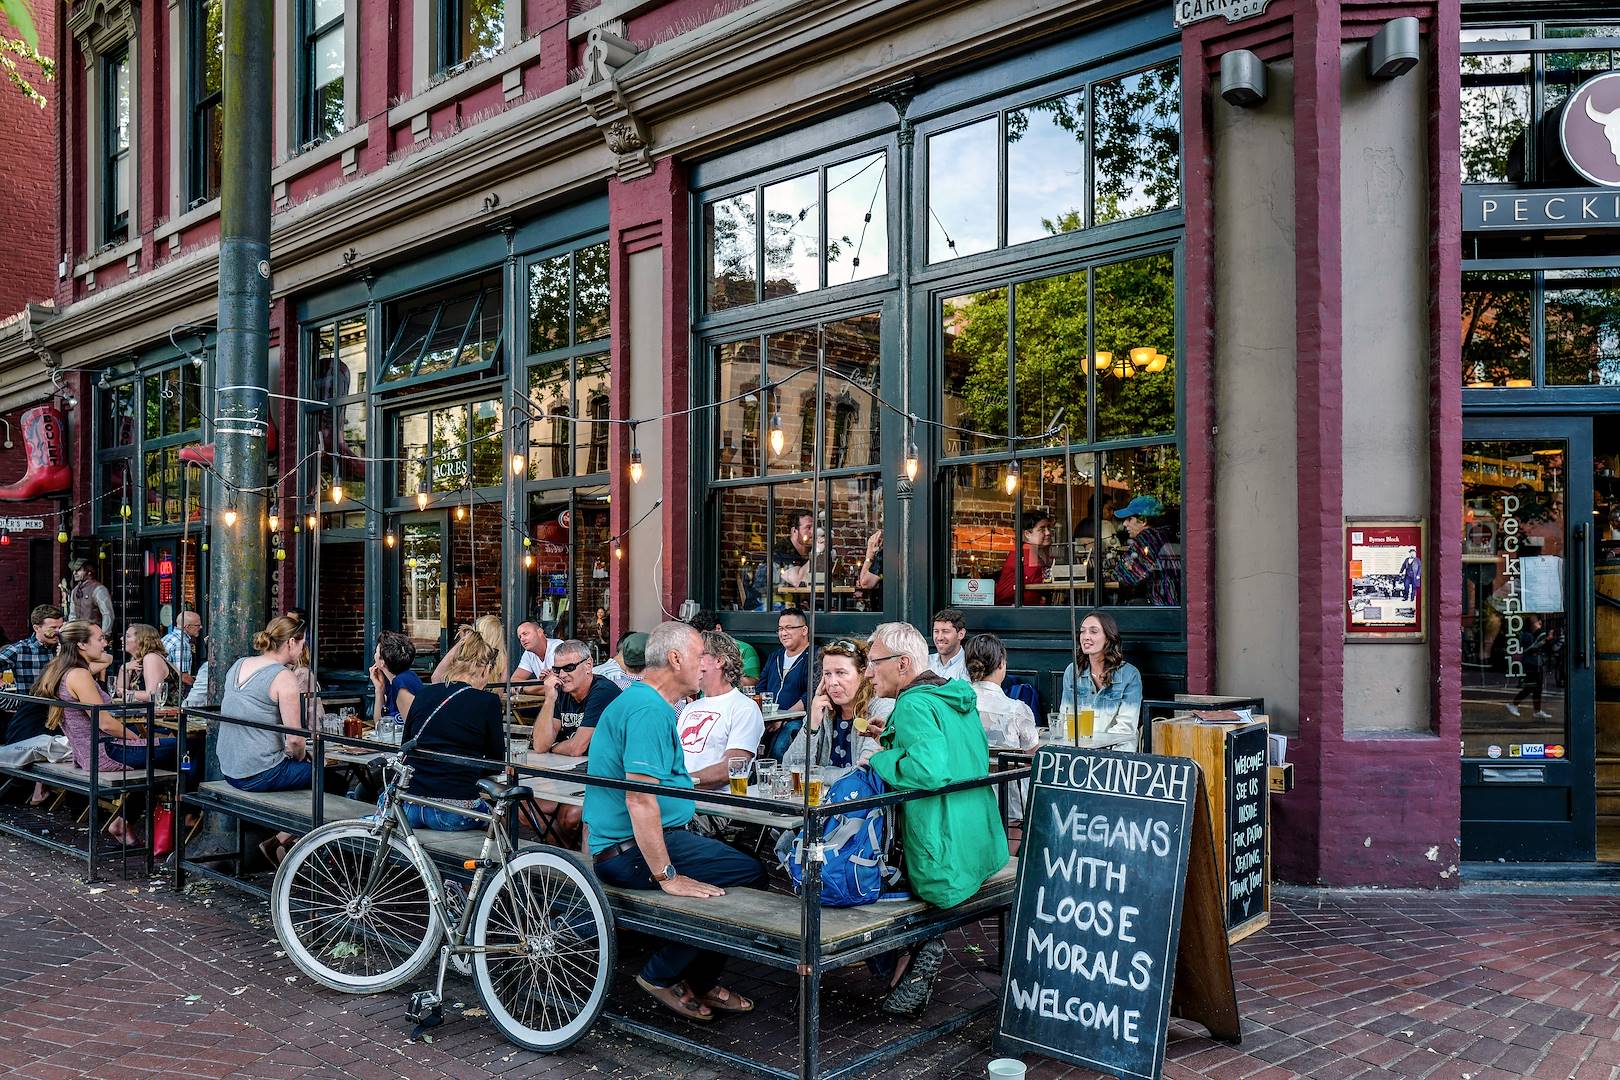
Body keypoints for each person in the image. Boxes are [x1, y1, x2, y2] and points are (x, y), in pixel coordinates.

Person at [584, 621, 764, 1023]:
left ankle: (691, 975)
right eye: (701, 655)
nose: (706, 665)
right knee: (750, 872)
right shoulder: (648, 709)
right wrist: (667, 875)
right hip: (629, 851)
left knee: (737, 864)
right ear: (676, 658)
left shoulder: (645, 703)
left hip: (623, 845)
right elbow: (640, 798)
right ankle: (667, 974)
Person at [862, 622, 1008, 1015]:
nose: (868, 672)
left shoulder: (910, 704)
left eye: (874, 662)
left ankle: (914, 950)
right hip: (979, 841)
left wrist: (878, 757)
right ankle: (909, 961)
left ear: (903, 663)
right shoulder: (951, 695)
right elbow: (949, 754)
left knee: (859, 884)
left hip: (942, 853)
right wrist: (891, 740)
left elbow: (928, 771)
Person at [34, 622, 147, 844]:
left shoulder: (63, 669)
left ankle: (124, 821)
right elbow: (105, 723)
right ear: (81, 644)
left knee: (170, 757)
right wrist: (140, 740)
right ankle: (184, 819)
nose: (105, 643)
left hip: (90, 751)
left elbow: (106, 659)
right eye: (100, 639)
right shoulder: (79, 674)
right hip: (105, 752)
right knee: (187, 753)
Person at [397, 631, 506, 831]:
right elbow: (496, 763)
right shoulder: (488, 701)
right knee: (502, 823)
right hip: (453, 811)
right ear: (484, 669)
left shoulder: (424, 693)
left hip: (408, 807)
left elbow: (408, 743)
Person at [217, 616, 313, 793]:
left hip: (229, 770)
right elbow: (295, 739)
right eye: (303, 644)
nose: (303, 649)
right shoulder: (284, 677)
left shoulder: (239, 664)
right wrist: (303, 758)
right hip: (260, 773)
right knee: (328, 778)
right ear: (291, 642)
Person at [782, 637, 890, 773]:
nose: (833, 682)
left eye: (841, 673)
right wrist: (812, 723)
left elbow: (865, 771)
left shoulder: (881, 707)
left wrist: (817, 773)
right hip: (820, 794)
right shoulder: (823, 708)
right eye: (827, 674)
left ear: (862, 674)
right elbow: (788, 767)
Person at [964, 634, 1038, 831]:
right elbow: (1032, 756)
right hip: (1009, 806)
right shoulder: (1016, 710)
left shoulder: (956, 704)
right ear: (1001, 664)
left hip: (965, 794)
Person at [678, 631, 764, 788]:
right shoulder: (689, 707)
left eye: (697, 656)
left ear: (719, 661)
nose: (690, 663)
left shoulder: (744, 707)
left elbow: (732, 767)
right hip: (679, 799)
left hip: (712, 806)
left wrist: (680, 784)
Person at [1058, 611, 1145, 750]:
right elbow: (1066, 717)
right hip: (1081, 751)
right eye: (1082, 632)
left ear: (1108, 637)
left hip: (1117, 754)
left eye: (1093, 631)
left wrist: (1096, 750)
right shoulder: (1073, 671)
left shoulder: (1130, 675)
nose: (1086, 637)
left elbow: (1125, 728)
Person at [532, 639, 621, 757]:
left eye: (569, 667)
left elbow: (576, 748)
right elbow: (540, 745)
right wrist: (549, 700)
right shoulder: (561, 691)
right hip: (579, 765)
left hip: (611, 769)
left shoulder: (603, 691)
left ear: (588, 665)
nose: (562, 675)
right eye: (557, 670)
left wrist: (553, 747)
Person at [1, 604, 64, 746]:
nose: (58, 632)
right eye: (53, 628)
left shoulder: (64, 649)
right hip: (31, 715)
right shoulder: (20, 649)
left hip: (61, 715)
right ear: (37, 628)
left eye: (60, 627)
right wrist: (6, 696)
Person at [758, 608, 811, 759]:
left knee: (779, 748)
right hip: (769, 718)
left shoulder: (813, 656)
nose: (783, 633)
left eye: (789, 628)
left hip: (798, 719)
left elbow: (810, 695)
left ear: (804, 630)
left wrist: (784, 718)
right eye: (780, 629)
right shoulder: (775, 656)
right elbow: (761, 687)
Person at [1109, 495, 1180, 607]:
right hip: (1173, 605)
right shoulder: (1165, 534)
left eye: (1129, 519)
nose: (1124, 524)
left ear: (1143, 520)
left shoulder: (1147, 538)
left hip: (1159, 607)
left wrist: (1112, 570)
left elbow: (1126, 575)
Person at [688, 611, 760, 692]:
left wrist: (726, 675)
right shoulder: (696, 648)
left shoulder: (745, 649)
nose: (702, 640)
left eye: (706, 637)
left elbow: (753, 683)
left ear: (718, 629)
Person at [115, 624, 183, 707]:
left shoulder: (151, 658)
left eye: (128, 636)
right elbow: (119, 692)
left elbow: (152, 695)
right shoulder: (135, 659)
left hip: (168, 715)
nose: (122, 638)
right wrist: (123, 668)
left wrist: (127, 693)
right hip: (146, 713)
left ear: (142, 640)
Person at [995, 512, 1053, 606]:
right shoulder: (1027, 550)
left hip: (1021, 608)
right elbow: (1040, 582)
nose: (1048, 533)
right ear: (1027, 534)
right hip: (1013, 610)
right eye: (1042, 529)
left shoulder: (1028, 550)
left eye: (1048, 528)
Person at [431, 614, 506, 684]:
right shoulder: (503, 659)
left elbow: (436, 678)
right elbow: (499, 692)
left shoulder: (467, 655)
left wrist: (462, 642)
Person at [369, 632, 423, 728]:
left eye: (376, 652)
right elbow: (380, 724)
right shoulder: (392, 682)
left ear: (382, 662)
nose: (374, 655)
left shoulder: (402, 682)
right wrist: (379, 689)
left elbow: (415, 727)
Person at [1508, 615, 1552, 720]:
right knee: (1530, 686)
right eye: (1536, 621)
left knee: (1538, 688)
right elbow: (1531, 649)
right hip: (1531, 664)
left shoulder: (1536, 634)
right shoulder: (1527, 635)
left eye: (1538, 621)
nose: (1538, 623)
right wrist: (1545, 640)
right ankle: (1514, 704)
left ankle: (1537, 711)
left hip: (1538, 664)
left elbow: (1541, 648)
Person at [62, 558, 114, 634]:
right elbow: (73, 615)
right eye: (74, 571)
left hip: (94, 633)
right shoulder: (75, 590)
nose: (74, 573)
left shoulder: (98, 589)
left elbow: (107, 614)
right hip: (79, 634)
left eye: (78, 570)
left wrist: (104, 633)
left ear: (89, 572)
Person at [162, 609, 203, 689]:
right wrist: (198, 687)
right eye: (198, 625)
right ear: (187, 627)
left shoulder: (168, 637)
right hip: (173, 690)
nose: (201, 627)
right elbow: (183, 676)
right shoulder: (182, 643)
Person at [775, 510, 815, 589]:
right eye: (808, 527)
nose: (813, 531)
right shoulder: (782, 550)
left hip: (797, 599)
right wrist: (817, 552)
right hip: (770, 599)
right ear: (794, 531)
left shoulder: (810, 551)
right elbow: (797, 582)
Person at [926, 609, 969, 681]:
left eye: (945, 632)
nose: (939, 637)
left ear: (961, 634)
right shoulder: (925, 662)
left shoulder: (970, 666)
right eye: (936, 631)